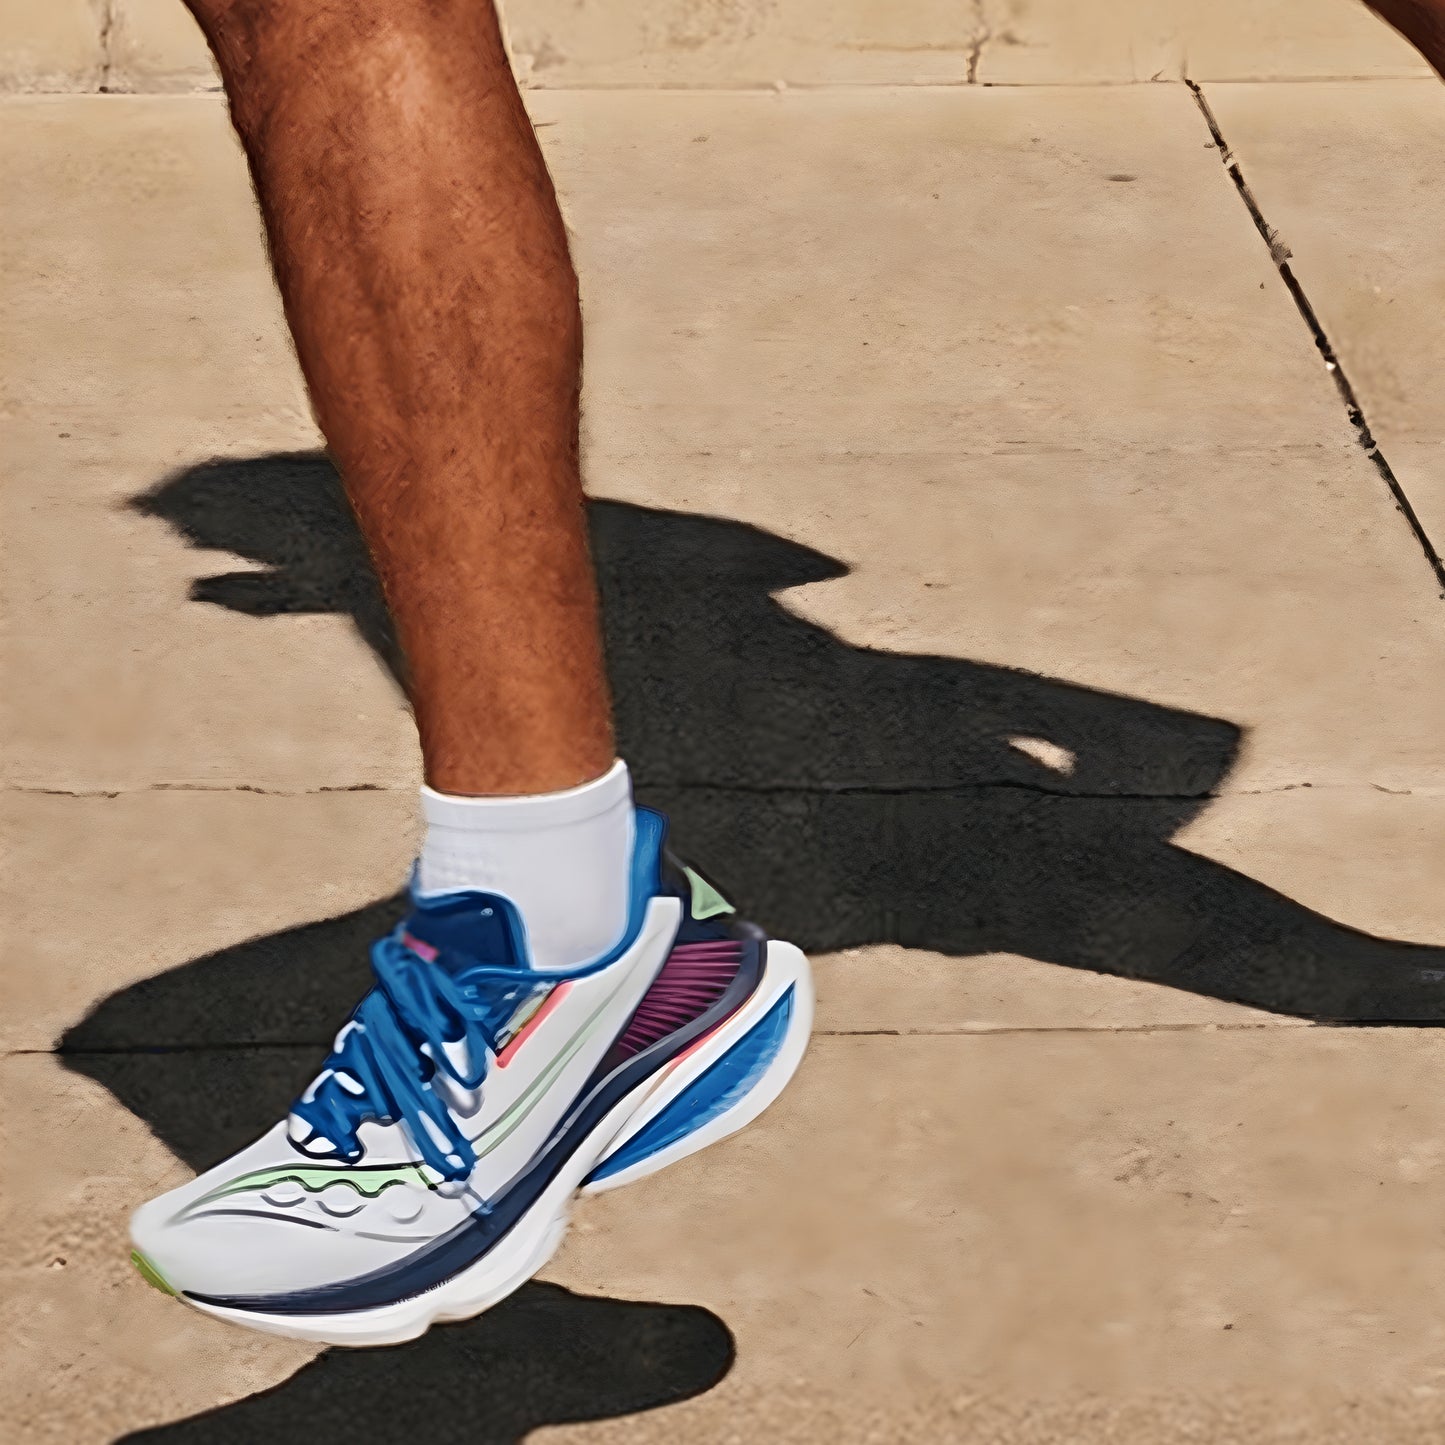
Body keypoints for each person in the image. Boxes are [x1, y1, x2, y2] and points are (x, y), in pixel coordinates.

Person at [126, 0, 1445, 1346]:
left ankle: (563, 938)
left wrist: (1015, 844)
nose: (216, 552)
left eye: (212, 528)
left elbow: (1162, 737)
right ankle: (557, 929)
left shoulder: (725, 580)